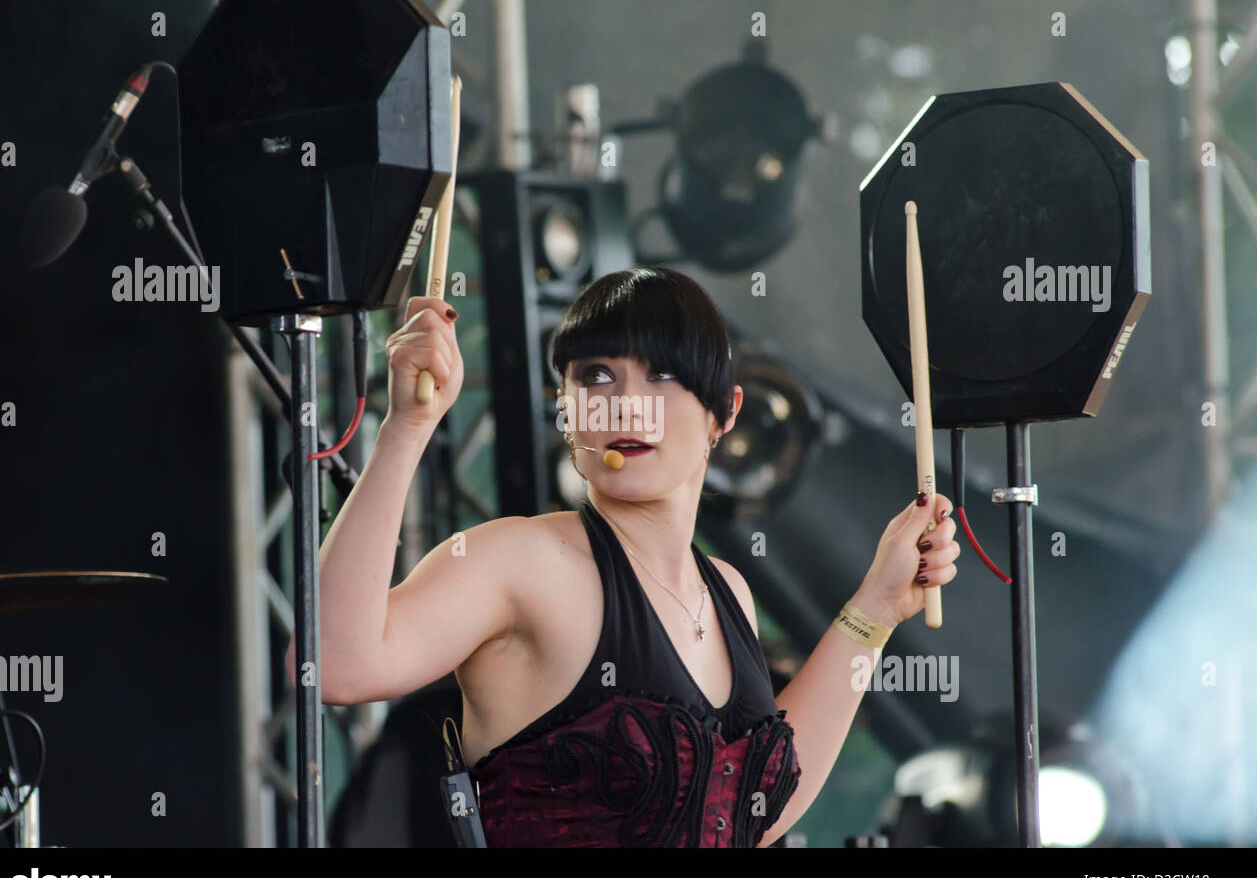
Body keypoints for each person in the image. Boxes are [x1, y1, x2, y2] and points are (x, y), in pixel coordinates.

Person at [286, 266, 960, 847]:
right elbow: (331, 664)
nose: (627, 406)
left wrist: (875, 608)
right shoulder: (523, 560)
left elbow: (754, 811)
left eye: (661, 375)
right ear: (568, 409)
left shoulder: (726, 590)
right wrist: (408, 427)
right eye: (597, 375)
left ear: (724, 412)